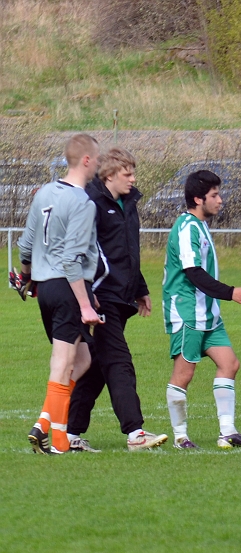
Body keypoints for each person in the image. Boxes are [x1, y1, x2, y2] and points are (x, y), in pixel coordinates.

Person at [66, 148, 168, 452]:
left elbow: (128, 250)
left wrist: (140, 287)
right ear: (109, 174)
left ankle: (69, 434)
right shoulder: (91, 202)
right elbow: (83, 251)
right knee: (119, 361)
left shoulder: (129, 203)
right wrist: (88, 293)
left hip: (121, 297)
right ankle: (135, 433)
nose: (133, 179)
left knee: (97, 367)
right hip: (101, 297)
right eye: (128, 174)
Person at [162, 170, 241, 449]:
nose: (220, 200)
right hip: (187, 312)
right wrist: (231, 293)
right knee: (184, 374)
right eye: (214, 195)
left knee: (229, 364)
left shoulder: (201, 225)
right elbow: (193, 272)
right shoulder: (186, 228)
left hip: (209, 314)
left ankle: (227, 432)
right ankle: (181, 436)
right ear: (198, 199)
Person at [18, 134, 102, 455]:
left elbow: (25, 245)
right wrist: (85, 304)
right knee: (63, 362)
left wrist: (26, 278)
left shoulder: (44, 193)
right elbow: (72, 259)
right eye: (96, 158)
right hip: (67, 287)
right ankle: (51, 433)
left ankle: (50, 430)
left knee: (82, 359)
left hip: (45, 287)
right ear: (86, 160)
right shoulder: (82, 201)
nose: (97, 163)